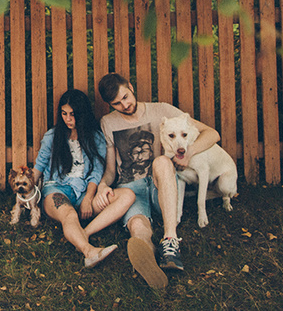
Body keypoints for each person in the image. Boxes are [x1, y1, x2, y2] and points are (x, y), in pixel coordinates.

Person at [92, 72, 221, 289]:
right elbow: (111, 170)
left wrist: (188, 154)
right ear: (110, 105)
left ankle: (170, 241)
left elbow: (212, 134)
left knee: (161, 162)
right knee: (138, 226)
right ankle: (146, 254)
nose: (124, 105)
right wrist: (104, 184)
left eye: (125, 97)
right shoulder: (108, 123)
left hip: (162, 184)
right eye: (117, 103)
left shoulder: (163, 110)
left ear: (131, 87)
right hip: (129, 189)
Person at [30, 89, 135, 268]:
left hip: (85, 192)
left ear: (82, 114)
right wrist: (24, 191)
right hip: (56, 190)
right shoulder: (53, 136)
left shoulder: (95, 138)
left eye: (73, 114)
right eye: (64, 114)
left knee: (127, 195)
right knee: (69, 215)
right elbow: (39, 166)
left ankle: (82, 233)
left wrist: (88, 198)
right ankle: (89, 251)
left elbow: (96, 172)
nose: (68, 119)